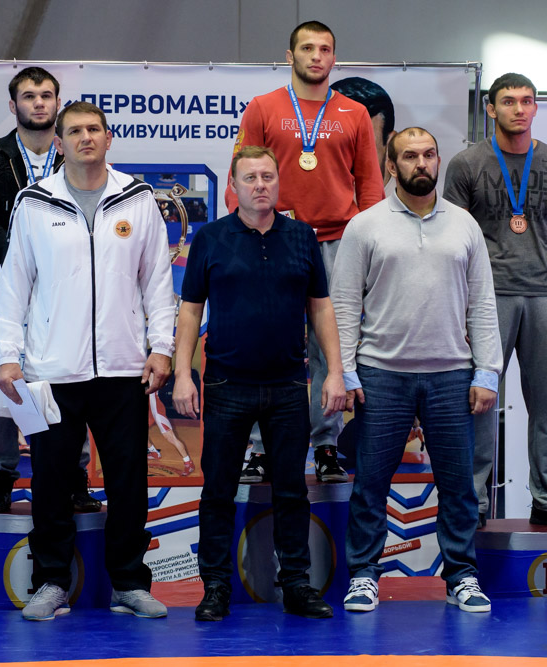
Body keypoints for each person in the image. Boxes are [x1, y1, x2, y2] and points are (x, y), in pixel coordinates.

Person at [0, 101, 176, 621]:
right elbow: (13, 286)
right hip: (51, 371)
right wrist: (7, 357)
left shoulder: (137, 198)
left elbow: (158, 281)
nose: (85, 137)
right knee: (51, 482)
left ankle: (129, 584)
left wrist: (160, 347)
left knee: (128, 482)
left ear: (108, 138)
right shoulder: (34, 202)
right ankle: (51, 582)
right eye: (74, 131)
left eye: (94, 129)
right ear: (59, 142)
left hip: (122, 368)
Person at [332, 127, 502, 614]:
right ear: (391, 166)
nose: (421, 163)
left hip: (452, 374)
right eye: (409, 156)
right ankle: (364, 575)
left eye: (429, 154)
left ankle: (461, 576)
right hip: (381, 374)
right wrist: (346, 371)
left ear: (439, 161)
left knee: (459, 487)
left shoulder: (464, 225)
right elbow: (344, 305)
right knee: (370, 484)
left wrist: (486, 372)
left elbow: (482, 304)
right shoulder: (365, 225)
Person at [174, 145, 344, 622]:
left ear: (278, 182)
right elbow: (189, 312)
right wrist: (184, 373)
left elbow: (321, 308)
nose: (260, 185)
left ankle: (297, 585)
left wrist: (335, 370)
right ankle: (215, 588)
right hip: (227, 385)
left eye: (268, 176)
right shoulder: (211, 238)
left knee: (292, 491)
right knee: (218, 492)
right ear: (234, 185)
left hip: (288, 386)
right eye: (250, 178)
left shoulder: (302, 237)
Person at [228, 20, 385, 484]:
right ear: (290, 55)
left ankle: (326, 445)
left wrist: (371, 242)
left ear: (334, 57)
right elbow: (240, 176)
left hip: (338, 242)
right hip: (275, 240)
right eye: (308, 48)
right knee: (269, 346)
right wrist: (248, 233)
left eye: (325, 49)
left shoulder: (355, 113)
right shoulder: (263, 107)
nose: (317, 56)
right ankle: (261, 449)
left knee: (329, 350)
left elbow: (370, 184)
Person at [443, 72, 547, 528]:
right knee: (480, 400)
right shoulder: (467, 164)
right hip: (487, 297)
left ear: (536, 107)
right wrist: (458, 306)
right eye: (508, 101)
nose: (519, 109)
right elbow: (452, 241)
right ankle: (474, 503)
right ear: (491, 109)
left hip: (544, 294)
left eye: (526, 101)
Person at [0, 66, 99, 514]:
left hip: (65, 295)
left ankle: (75, 476)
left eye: (46, 95)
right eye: (29, 96)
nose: (38, 103)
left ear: (58, 103)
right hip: (5, 292)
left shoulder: (75, 154)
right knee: (2, 386)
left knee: (68, 385)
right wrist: (30, 256)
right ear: (13, 105)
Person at [329, 76, 395, 184]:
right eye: (337, 144)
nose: (349, 160)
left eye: (365, 145)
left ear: (390, 146)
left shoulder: (413, 193)